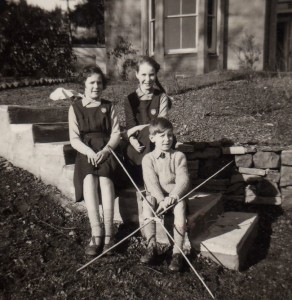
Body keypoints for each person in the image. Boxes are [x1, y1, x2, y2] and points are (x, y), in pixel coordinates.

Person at [68, 65, 121, 256]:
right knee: (89, 180)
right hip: (86, 150)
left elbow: (116, 132)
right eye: (91, 82)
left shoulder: (108, 106)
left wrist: (107, 150)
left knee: (106, 180)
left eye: (99, 82)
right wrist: (88, 151)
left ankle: (109, 234)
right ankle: (96, 232)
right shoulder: (75, 108)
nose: (96, 86)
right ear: (84, 85)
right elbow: (74, 138)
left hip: (106, 149)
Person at [141, 117, 190, 272]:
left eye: (169, 135)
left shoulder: (178, 156)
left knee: (180, 206)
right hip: (157, 196)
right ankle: (151, 246)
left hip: (174, 196)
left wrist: (174, 196)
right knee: (147, 203)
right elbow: (151, 182)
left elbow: (183, 180)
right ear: (152, 138)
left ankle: (177, 252)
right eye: (162, 136)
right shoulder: (148, 159)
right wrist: (161, 200)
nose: (167, 139)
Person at [124, 56, 172, 186]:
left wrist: (141, 128)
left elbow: (161, 124)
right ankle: (150, 181)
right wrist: (133, 140)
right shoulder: (130, 99)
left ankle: (151, 183)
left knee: (149, 131)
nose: (147, 79)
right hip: (138, 142)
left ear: (156, 75)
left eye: (151, 75)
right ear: (137, 75)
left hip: (159, 139)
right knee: (144, 134)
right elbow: (130, 125)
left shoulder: (161, 97)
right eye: (143, 74)